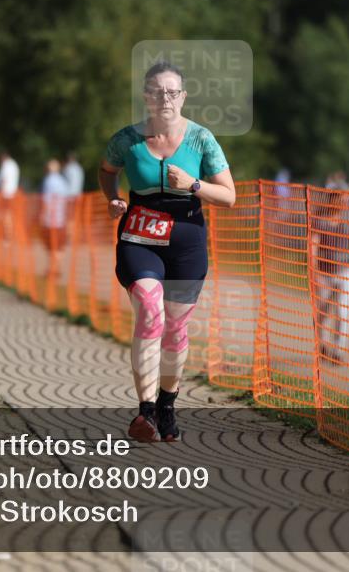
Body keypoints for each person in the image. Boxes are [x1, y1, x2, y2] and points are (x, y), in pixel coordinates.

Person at [99, 61, 236, 443]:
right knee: (149, 309)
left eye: (172, 92)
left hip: (186, 240)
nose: (165, 99)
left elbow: (229, 195)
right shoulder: (126, 139)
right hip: (139, 236)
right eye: (157, 91)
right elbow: (106, 170)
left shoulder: (201, 139)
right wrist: (112, 198)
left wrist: (194, 184)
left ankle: (167, 404)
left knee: (175, 328)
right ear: (145, 96)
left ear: (183, 96)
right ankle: (144, 414)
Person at [309, 191, 349, 364]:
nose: (344, 203)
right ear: (333, 200)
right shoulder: (320, 222)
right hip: (324, 274)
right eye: (341, 200)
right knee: (323, 312)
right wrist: (312, 271)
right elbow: (313, 247)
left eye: (346, 200)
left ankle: (338, 351)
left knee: (342, 312)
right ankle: (323, 345)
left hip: (345, 273)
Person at [40, 159, 69, 294]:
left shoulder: (48, 181)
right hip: (60, 218)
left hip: (50, 219)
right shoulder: (62, 181)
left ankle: (53, 269)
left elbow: (46, 200)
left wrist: (43, 215)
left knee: (52, 246)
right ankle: (54, 268)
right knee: (58, 246)